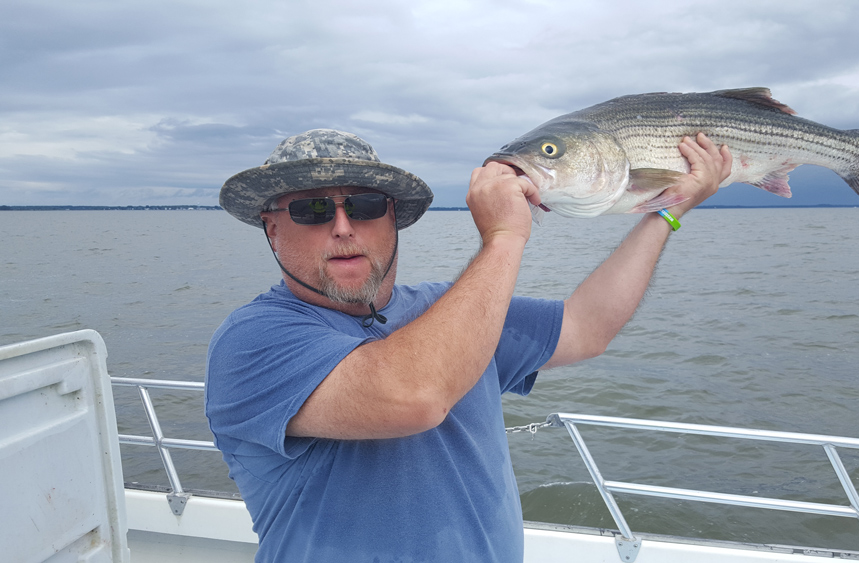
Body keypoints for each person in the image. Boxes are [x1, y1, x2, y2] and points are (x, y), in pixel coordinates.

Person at [206, 128, 731, 563]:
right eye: (312, 210)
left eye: (365, 206)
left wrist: (667, 211)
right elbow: (412, 395)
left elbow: (584, 328)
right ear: (272, 229)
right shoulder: (252, 340)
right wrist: (504, 237)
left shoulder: (452, 308)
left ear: (393, 220)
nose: (343, 228)